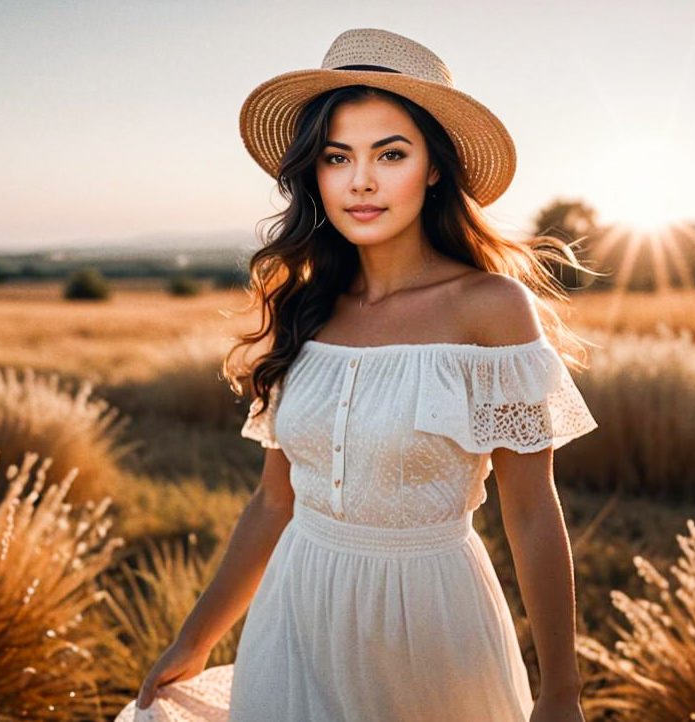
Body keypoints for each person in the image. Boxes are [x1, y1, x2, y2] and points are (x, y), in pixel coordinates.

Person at [116, 27, 599, 722]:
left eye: (391, 153)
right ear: (314, 172)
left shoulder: (489, 309)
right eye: (337, 157)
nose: (361, 181)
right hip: (295, 615)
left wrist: (561, 692)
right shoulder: (304, 309)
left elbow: (530, 512)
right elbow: (274, 505)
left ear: (435, 168)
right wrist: (191, 642)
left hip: (431, 626)